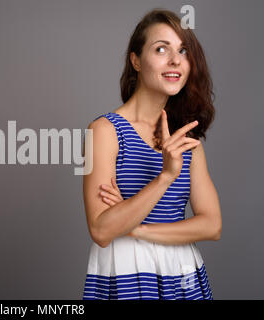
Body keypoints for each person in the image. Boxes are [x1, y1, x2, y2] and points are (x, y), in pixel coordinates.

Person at [82, 8, 222, 300]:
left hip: (183, 273)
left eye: (183, 51)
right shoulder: (105, 131)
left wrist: (135, 228)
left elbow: (212, 225)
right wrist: (166, 177)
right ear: (135, 60)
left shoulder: (186, 138)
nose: (175, 60)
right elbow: (101, 230)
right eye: (161, 49)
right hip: (127, 273)